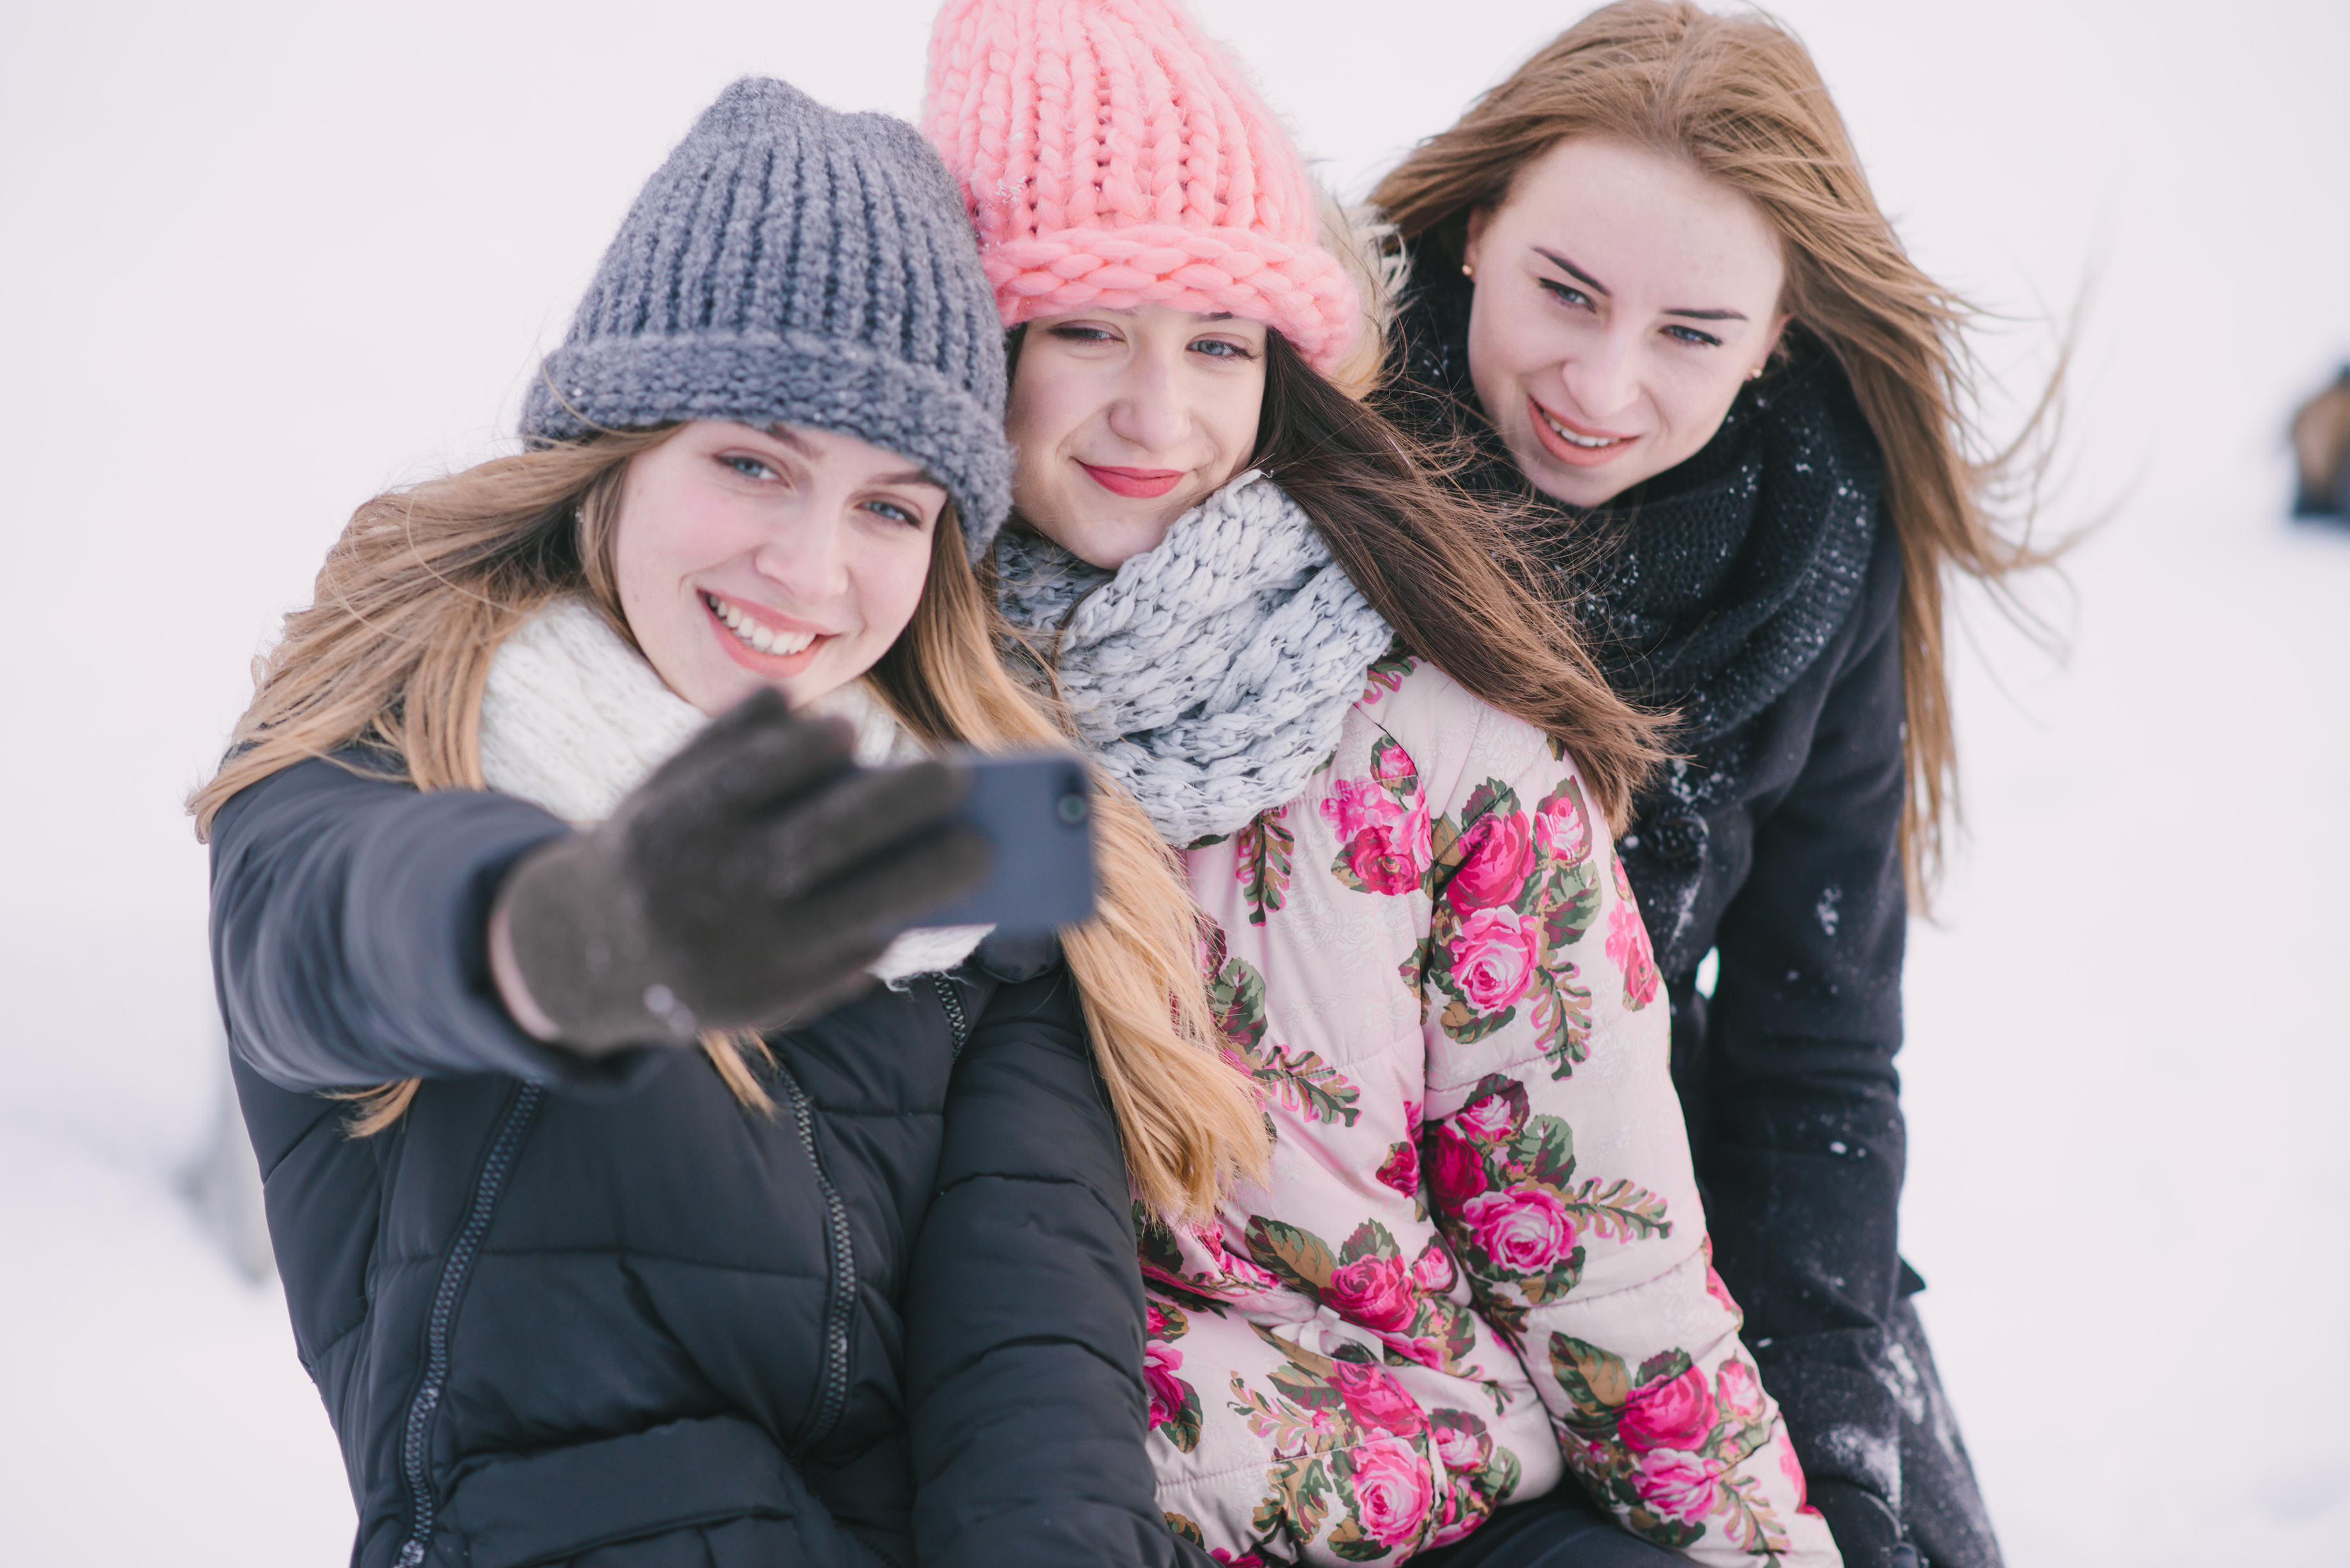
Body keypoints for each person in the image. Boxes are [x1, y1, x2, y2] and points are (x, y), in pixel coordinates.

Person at [192, 77, 1263, 1568]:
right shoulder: (403, 743)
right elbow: (324, 932)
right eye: (752, 463)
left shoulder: (977, 856)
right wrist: (554, 937)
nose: (809, 569)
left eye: (891, 508)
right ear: (616, 451)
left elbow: (1030, 1363)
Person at [924, 3, 1836, 1564]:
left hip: (1437, 1490)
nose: (1161, 416)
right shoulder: (864, 696)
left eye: (1220, 343)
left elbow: (1606, 1260)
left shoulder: (1438, 732)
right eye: (1085, 326)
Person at [1369, 6, 2049, 1564]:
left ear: (1777, 331)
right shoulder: (1297, 440)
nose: (1599, 382)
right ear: (1477, 230)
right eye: (1565, 291)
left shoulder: (1814, 543)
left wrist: (1833, 1432)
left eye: (1690, 332)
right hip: (1326, 1249)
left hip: (1652, 1214)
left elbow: (1812, 1060)